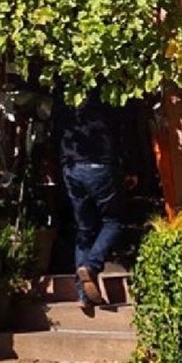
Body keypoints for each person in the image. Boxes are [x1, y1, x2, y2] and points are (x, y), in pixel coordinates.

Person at [53, 91, 128, 312]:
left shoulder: (66, 90)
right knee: (114, 221)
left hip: (72, 166)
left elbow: (56, 125)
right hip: (100, 164)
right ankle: (91, 265)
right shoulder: (105, 88)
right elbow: (122, 125)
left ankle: (84, 295)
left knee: (84, 228)